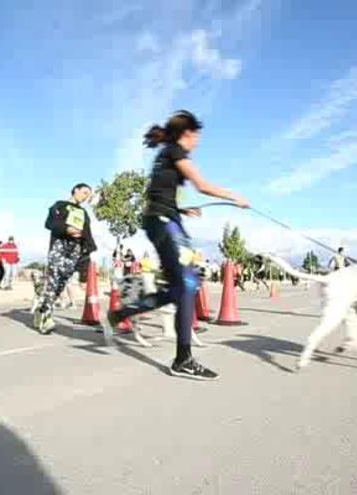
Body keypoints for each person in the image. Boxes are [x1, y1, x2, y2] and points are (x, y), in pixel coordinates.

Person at [104, 110, 249, 380]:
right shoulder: (174, 151)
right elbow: (202, 185)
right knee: (185, 286)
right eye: (196, 137)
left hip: (167, 219)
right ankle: (183, 359)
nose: (198, 143)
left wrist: (182, 210)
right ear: (187, 133)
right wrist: (234, 197)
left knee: (186, 287)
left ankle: (125, 312)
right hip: (162, 222)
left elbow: (161, 193)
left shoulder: (166, 156)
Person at [34, 183, 97, 333]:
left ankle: (41, 309)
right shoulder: (60, 206)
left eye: (88, 195)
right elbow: (49, 223)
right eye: (84, 192)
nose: (86, 196)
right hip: (59, 246)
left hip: (75, 250)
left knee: (61, 284)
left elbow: (88, 236)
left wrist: (87, 260)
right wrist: (66, 229)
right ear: (76, 190)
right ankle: (46, 318)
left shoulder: (84, 213)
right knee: (54, 278)